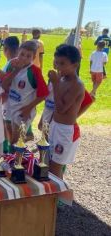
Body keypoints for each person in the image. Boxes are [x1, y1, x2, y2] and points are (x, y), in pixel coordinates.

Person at [47, 44, 85, 179]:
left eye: (62, 63)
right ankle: (53, 195)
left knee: (55, 168)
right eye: (56, 63)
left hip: (66, 131)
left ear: (75, 65)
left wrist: (56, 84)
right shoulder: (61, 79)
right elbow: (54, 105)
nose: (58, 67)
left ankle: (59, 197)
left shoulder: (77, 85)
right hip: (55, 125)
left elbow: (62, 108)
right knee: (48, 162)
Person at [1, 41, 49, 145]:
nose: (24, 58)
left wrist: (29, 108)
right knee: (9, 136)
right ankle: (12, 158)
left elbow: (44, 94)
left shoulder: (34, 71)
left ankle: (17, 159)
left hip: (23, 110)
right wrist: (16, 70)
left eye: (28, 56)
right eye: (22, 54)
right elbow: (4, 85)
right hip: (9, 106)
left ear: (33, 57)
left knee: (17, 140)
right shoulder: (12, 65)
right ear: (18, 52)